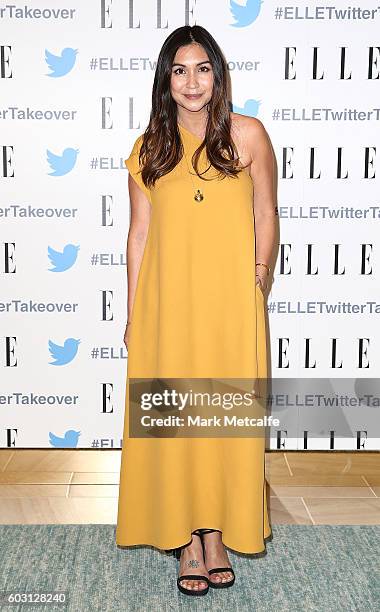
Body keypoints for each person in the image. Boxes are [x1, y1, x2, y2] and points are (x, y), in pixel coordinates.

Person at [116, 24, 276, 597]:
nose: (192, 81)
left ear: (218, 74)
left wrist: (255, 284)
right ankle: (187, 540)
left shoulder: (248, 136)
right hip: (168, 307)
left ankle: (216, 535)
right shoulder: (148, 149)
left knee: (224, 422)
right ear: (166, 79)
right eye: (179, 70)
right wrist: (136, 315)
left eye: (202, 68)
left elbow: (265, 216)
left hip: (230, 307)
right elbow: (139, 237)